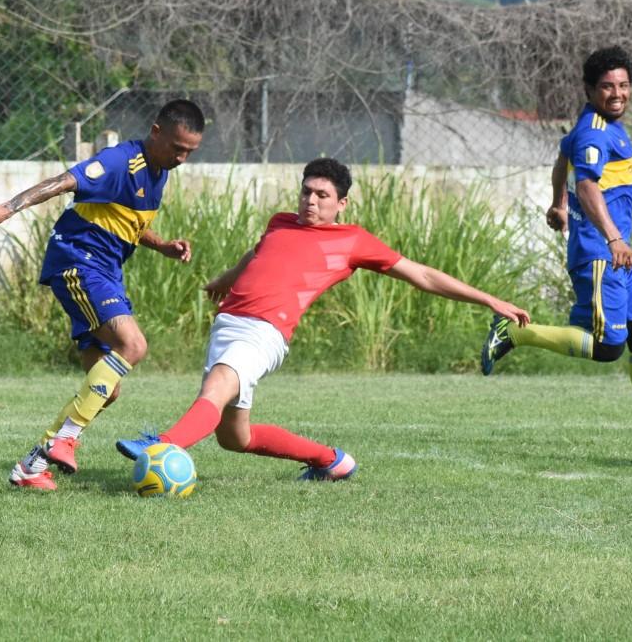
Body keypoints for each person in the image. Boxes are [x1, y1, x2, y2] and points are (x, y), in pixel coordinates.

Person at [116, 157, 531, 480]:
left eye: (322, 196)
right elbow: (257, 255)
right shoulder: (280, 222)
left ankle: (163, 445)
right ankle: (333, 462)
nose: (311, 201)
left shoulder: (352, 241)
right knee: (234, 438)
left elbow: (421, 274)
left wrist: (489, 300)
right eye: (306, 192)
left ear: (341, 204)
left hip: (264, 332)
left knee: (218, 385)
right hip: (229, 325)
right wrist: (223, 281)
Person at [0, 100, 205, 490]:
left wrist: (161, 245)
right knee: (134, 345)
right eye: (177, 148)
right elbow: (64, 181)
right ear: (156, 132)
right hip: (78, 261)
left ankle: (31, 466)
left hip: (104, 269)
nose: (182, 158)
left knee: (106, 389)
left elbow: (125, 221)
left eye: (190, 151)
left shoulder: (158, 172)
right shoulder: (121, 161)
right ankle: (65, 439)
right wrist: (7, 209)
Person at [479, 45, 632, 447]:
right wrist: (612, 236)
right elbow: (586, 183)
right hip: (603, 252)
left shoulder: (593, 126)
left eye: (623, 85)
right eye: (607, 87)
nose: (617, 93)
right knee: (606, 348)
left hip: (619, 252)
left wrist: (557, 203)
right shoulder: (594, 131)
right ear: (589, 89)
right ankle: (515, 333)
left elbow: (561, 158)